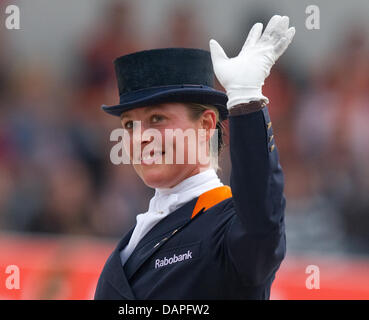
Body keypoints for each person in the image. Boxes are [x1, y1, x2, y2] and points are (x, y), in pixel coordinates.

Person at [95, 15, 295, 299]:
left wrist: (246, 101)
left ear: (205, 125)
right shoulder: (134, 239)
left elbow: (262, 224)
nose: (140, 137)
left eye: (157, 118)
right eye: (129, 125)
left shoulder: (228, 227)